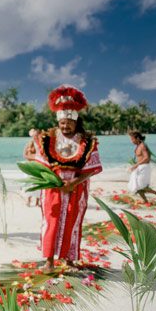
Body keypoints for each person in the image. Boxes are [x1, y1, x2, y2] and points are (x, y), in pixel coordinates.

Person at [30, 85, 102, 271]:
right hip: (52, 188)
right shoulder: (49, 138)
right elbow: (40, 165)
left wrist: (73, 183)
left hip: (76, 189)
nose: (65, 126)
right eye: (62, 123)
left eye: (69, 123)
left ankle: (69, 259)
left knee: (73, 222)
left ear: (76, 122)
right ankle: (49, 261)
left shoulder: (87, 141)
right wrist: (54, 182)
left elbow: (92, 169)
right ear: (58, 122)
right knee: (51, 222)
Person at [127, 131, 156, 203]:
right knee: (137, 186)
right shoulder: (138, 146)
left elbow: (146, 157)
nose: (132, 141)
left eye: (132, 139)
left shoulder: (143, 146)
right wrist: (135, 165)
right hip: (140, 167)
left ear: (137, 138)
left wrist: (136, 165)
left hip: (144, 168)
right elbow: (140, 157)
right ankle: (146, 200)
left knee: (141, 186)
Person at [23, 128, 42, 207]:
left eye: (38, 135)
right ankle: (28, 200)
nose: (36, 137)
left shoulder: (41, 144)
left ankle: (37, 202)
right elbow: (25, 155)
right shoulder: (29, 144)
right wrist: (35, 158)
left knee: (38, 183)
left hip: (39, 166)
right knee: (30, 183)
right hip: (31, 166)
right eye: (35, 135)